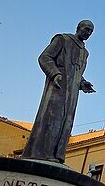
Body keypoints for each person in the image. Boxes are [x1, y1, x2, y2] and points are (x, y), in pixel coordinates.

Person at [22, 20, 96, 163]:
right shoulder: (62, 39)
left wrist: (82, 83)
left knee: (66, 122)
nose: (88, 33)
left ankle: (56, 155)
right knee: (51, 118)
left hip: (72, 93)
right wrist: (55, 73)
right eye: (86, 29)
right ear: (78, 28)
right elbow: (44, 57)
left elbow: (77, 72)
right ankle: (41, 154)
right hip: (58, 85)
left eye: (91, 32)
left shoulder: (85, 53)